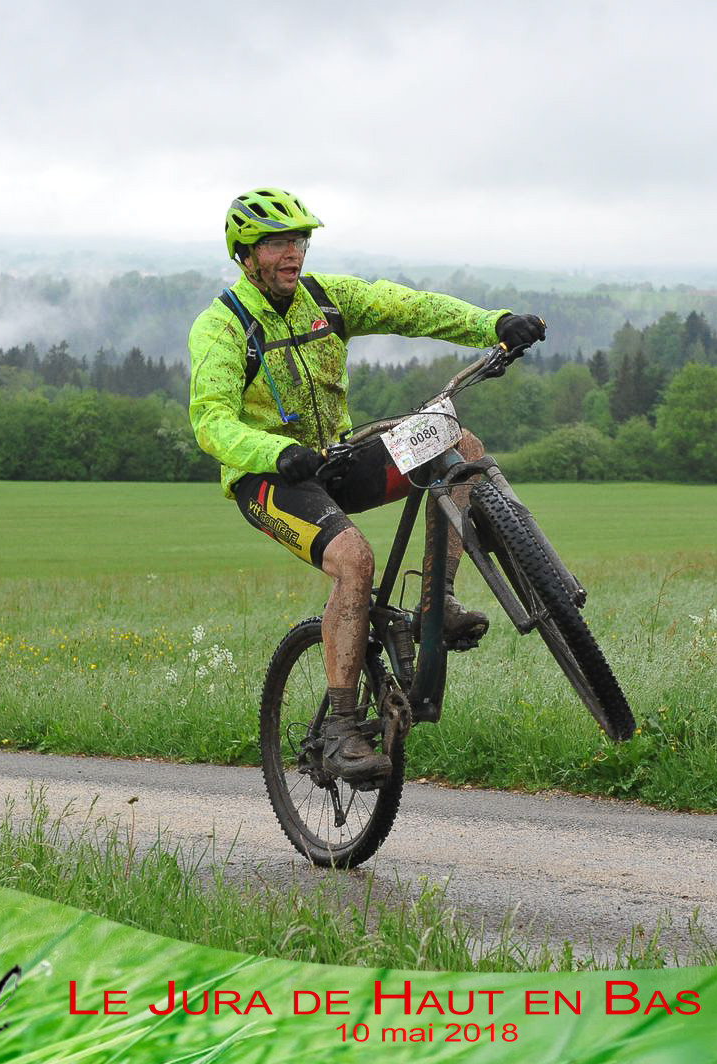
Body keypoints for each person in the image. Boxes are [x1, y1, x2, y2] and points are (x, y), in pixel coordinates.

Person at [188, 187, 546, 785]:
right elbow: (211, 422)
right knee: (354, 560)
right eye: (276, 244)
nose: (292, 254)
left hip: (337, 459)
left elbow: (409, 308)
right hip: (269, 479)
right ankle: (340, 729)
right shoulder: (222, 327)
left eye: (299, 241)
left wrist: (494, 324)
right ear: (245, 256)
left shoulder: (326, 300)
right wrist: (277, 452)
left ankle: (437, 604)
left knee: (458, 445)